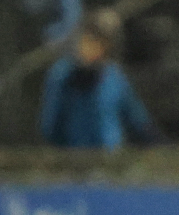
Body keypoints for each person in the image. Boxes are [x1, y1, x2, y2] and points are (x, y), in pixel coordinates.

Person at [39, 10, 160, 151]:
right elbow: (50, 128)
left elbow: (139, 121)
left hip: (110, 160)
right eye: (90, 39)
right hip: (74, 161)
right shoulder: (62, 75)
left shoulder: (114, 76)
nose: (95, 47)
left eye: (102, 42)